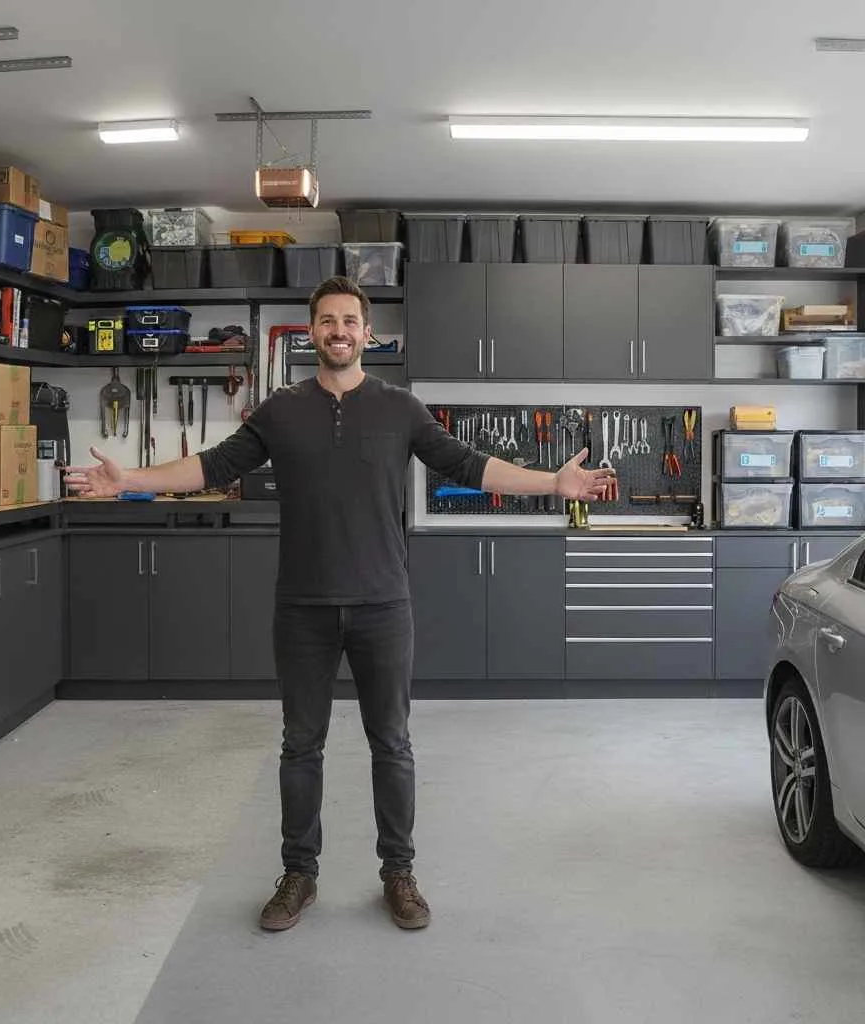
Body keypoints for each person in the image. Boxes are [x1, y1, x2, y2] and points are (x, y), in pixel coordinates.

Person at [64, 276, 614, 932]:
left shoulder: (400, 408)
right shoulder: (280, 410)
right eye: (327, 320)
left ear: (367, 333)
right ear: (312, 332)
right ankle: (299, 875)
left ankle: (399, 874)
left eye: (350, 321)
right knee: (301, 746)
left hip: (383, 604)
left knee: (393, 745)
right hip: (303, 608)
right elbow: (213, 466)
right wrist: (130, 479)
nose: (339, 331)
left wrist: (553, 482)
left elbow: (469, 465)